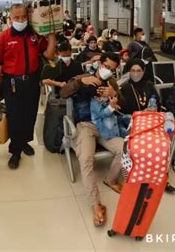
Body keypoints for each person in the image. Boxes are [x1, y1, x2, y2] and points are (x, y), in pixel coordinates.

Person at [59, 52, 124, 227]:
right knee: (86, 160)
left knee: (127, 148)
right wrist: (81, 82)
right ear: (99, 63)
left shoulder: (111, 83)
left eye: (112, 69)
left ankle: (110, 179)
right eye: (106, 66)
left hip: (105, 125)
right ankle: (96, 205)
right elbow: (63, 93)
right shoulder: (82, 77)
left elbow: (121, 104)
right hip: (86, 126)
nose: (108, 71)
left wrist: (113, 93)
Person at [0, 3, 56, 169]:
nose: (20, 20)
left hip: (32, 81)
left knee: (30, 114)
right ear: (10, 18)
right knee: (15, 117)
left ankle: (24, 141)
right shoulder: (3, 38)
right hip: (12, 83)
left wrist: (52, 37)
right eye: (17, 17)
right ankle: (15, 151)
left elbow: (48, 54)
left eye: (23, 17)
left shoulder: (34, 35)